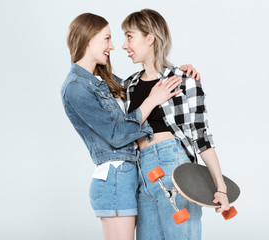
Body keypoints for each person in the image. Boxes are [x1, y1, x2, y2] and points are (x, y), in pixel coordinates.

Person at [61, 13, 199, 240]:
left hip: (134, 176)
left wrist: (176, 72)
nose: (113, 46)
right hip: (115, 180)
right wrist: (152, 100)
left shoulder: (103, 80)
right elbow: (116, 134)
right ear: (89, 38)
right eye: (106, 39)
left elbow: (140, 90)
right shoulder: (76, 87)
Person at [121, 9, 230, 240]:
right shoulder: (129, 85)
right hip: (142, 174)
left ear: (149, 38)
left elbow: (202, 136)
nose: (124, 45)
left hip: (174, 168)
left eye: (129, 36)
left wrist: (221, 187)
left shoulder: (184, 80)